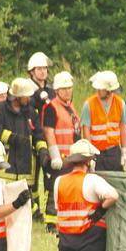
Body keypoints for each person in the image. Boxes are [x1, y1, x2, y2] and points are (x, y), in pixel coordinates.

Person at [0, 78, 47, 221]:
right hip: (7, 163)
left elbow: (38, 134)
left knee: (27, 192)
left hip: (26, 161)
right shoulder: (0, 109)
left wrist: (43, 150)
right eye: (26, 96)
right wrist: (13, 138)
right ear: (17, 97)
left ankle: (33, 214)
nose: (29, 98)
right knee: (5, 194)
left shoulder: (31, 112)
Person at [41, 71, 80, 234]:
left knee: (69, 190)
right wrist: (54, 155)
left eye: (69, 88)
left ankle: (66, 220)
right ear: (57, 90)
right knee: (55, 191)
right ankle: (51, 224)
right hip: (59, 158)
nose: (67, 91)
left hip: (71, 157)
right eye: (64, 89)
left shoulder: (70, 107)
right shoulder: (51, 107)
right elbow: (49, 132)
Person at [81, 71, 126, 172]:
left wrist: (125, 151)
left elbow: (123, 127)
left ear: (109, 90)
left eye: (101, 88)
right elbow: (86, 131)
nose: (98, 90)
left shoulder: (120, 103)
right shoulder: (89, 104)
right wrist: (90, 155)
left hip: (114, 152)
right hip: (96, 152)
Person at [27, 52, 56, 222]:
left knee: (49, 175)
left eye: (45, 68)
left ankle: (48, 210)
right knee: (31, 176)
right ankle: (33, 210)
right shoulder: (26, 90)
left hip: (49, 136)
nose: (43, 71)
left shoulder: (51, 90)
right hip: (32, 137)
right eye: (39, 69)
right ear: (31, 71)